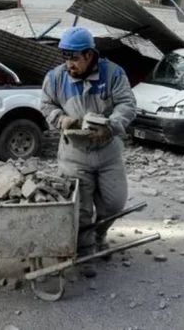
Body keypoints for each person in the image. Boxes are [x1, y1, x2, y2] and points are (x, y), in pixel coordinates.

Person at [40, 27, 136, 256]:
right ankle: (85, 251)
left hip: (107, 152)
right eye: (65, 58)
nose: (69, 64)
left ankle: (99, 235)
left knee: (114, 203)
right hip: (74, 154)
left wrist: (111, 126)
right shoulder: (55, 77)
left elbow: (127, 104)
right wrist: (60, 118)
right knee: (80, 208)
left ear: (89, 55)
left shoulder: (113, 73)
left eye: (74, 58)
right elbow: (46, 104)